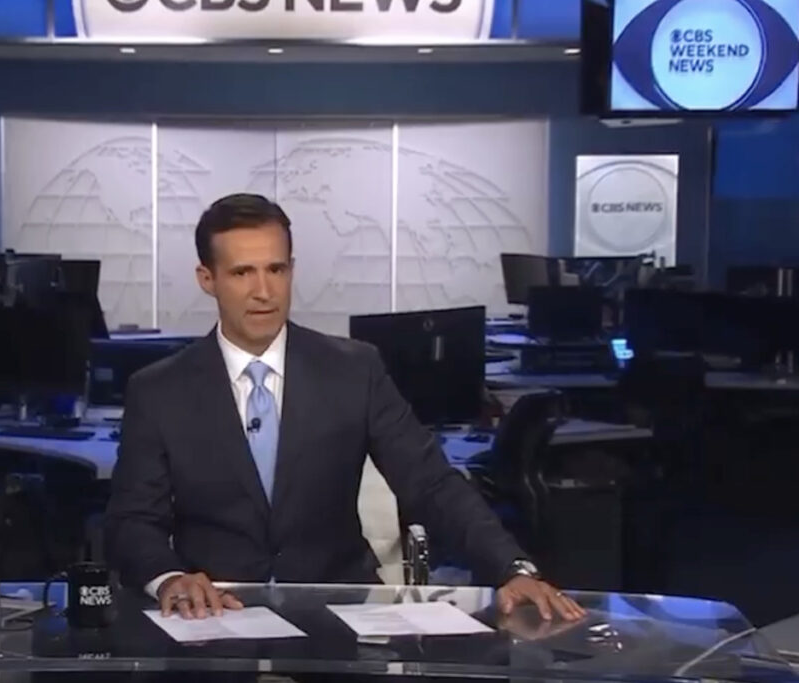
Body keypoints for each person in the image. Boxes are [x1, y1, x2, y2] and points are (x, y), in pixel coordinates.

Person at [105, 193, 585, 623]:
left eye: (276, 269)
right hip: (214, 618)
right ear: (207, 279)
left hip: (335, 619)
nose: (264, 291)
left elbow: (432, 482)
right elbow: (133, 520)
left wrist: (511, 567)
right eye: (241, 273)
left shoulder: (353, 370)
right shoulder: (159, 391)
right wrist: (168, 578)